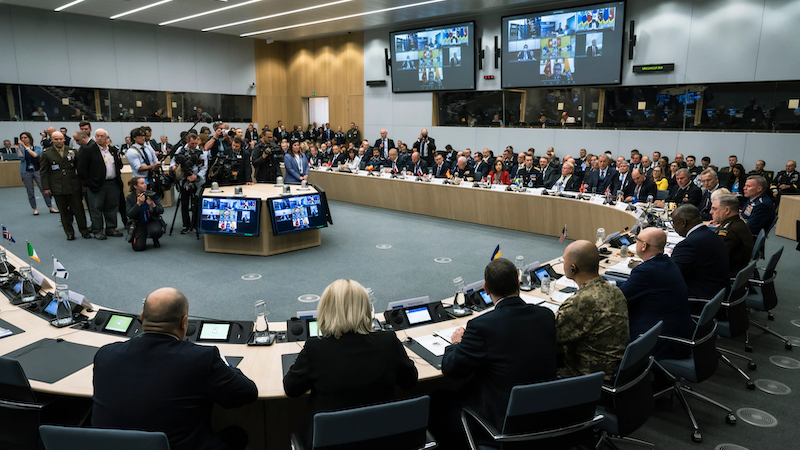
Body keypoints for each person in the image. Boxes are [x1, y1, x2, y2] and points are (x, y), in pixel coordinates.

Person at [92, 288, 257, 450]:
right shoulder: (201, 358)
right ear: (184, 322)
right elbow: (247, 393)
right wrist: (226, 365)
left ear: (142, 318)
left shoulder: (105, 354)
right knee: (236, 435)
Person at [437, 258, 557, 448]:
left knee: (439, 401)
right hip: (547, 414)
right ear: (518, 284)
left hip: (504, 423)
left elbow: (451, 368)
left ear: (486, 288)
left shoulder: (481, 326)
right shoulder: (545, 315)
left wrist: (456, 344)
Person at [284, 279, 417, 448]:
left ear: (325, 310)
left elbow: (291, 389)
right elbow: (410, 382)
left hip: (329, 442)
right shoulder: (388, 341)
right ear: (366, 309)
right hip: (382, 439)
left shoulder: (316, 348)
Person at [556, 240, 629, 381]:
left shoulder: (581, 302)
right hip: (615, 366)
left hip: (590, 375)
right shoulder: (614, 290)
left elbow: (549, 335)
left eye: (563, 260)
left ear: (573, 268)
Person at [618, 228, 693, 360]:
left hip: (663, 340)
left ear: (644, 246)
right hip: (678, 331)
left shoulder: (646, 271)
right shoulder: (667, 262)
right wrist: (612, 283)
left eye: (637, 240)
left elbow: (618, 298)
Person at [670, 205, 729, 299]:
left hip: (698, 296)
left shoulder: (688, 244)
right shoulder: (710, 234)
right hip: (716, 290)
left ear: (683, 222)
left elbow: (671, 275)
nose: (673, 226)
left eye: (673, 222)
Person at [40, 132, 91, 240]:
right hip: (57, 186)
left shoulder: (72, 151)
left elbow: (80, 168)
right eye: (56, 139)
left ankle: (84, 230)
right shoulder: (47, 153)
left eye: (61, 139)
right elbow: (44, 172)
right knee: (64, 211)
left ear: (64, 139)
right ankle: (69, 232)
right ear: (52, 140)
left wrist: (83, 183)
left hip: (73, 184)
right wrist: (46, 187)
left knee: (79, 209)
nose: (59, 141)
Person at [77, 129, 123, 239]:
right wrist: (88, 183)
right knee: (96, 208)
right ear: (95, 137)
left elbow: (118, 164)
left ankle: (111, 228)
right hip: (96, 184)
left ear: (107, 137)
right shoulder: (88, 150)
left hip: (112, 183)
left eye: (102, 136)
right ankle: (97, 230)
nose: (100, 138)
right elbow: (82, 169)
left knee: (112, 207)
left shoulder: (112, 150)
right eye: (97, 136)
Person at [170, 134, 208, 235]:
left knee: (196, 203)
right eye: (192, 143)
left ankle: (195, 225)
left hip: (196, 181)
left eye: (196, 143)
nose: (195, 145)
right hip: (183, 180)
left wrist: (197, 176)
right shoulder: (180, 150)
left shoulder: (201, 152)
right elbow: (173, 161)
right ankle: (186, 225)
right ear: (187, 141)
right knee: (184, 204)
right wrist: (173, 167)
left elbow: (204, 167)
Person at [711, 193, 754, 276]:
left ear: (727, 210)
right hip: (735, 267)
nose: (711, 212)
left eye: (714, 209)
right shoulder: (737, 223)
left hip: (726, 273)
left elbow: (715, 257)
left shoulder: (729, 231)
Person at [16, 132, 57, 216]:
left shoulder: (37, 147)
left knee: (44, 188)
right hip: (26, 171)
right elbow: (21, 158)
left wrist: (25, 147)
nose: (23, 139)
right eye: (22, 138)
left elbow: (35, 155)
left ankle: (50, 207)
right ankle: (34, 208)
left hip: (37, 170)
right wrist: (19, 149)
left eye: (25, 137)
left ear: (29, 138)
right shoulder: (20, 148)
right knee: (30, 191)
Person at [126, 177, 165, 250]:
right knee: (138, 248)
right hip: (138, 223)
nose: (145, 185)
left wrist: (153, 205)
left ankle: (155, 239)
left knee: (156, 230)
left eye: (145, 183)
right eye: (142, 183)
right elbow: (129, 214)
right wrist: (138, 204)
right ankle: (141, 236)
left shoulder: (151, 195)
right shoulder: (130, 198)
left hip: (151, 221)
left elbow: (161, 210)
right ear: (135, 186)